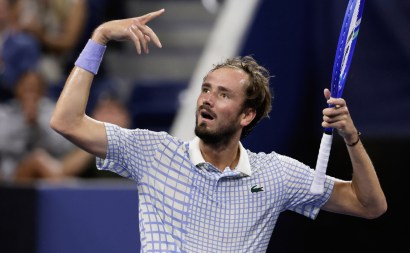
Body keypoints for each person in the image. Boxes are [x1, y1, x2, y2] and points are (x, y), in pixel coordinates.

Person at [50, 9, 387, 252]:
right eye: (206, 89)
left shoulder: (275, 175)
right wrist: (100, 37)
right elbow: (66, 121)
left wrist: (351, 139)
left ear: (247, 115)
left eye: (223, 94)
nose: (207, 100)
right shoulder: (152, 152)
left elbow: (368, 205)